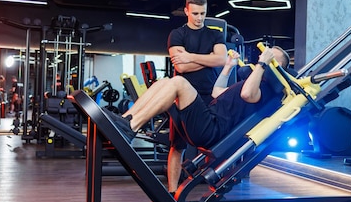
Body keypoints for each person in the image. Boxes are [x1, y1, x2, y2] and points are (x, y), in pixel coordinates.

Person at [105, 47, 290, 192]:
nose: (264, 57)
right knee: (165, 82)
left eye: (271, 58)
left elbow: (248, 94)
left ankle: (131, 128)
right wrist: (228, 67)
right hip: (208, 121)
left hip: (212, 130)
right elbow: (217, 91)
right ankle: (125, 121)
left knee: (179, 83)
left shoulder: (265, 91)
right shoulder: (252, 82)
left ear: (276, 69)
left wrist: (262, 64)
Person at [166, 0, 227, 194]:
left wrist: (190, 57)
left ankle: (215, 188)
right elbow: (181, 68)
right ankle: (173, 191)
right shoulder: (177, 34)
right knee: (177, 145)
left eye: (203, 13)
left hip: (210, 95)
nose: (199, 18)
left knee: (215, 145)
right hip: (182, 98)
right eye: (195, 13)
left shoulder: (215, 34)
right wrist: (208, 58)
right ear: (186, 11)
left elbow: (221, 60)